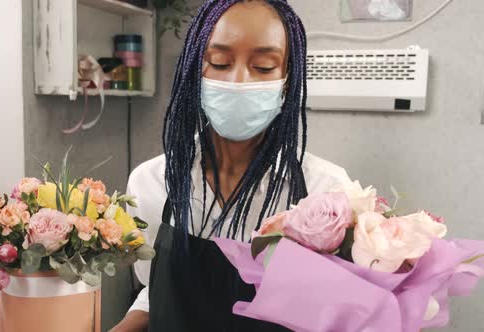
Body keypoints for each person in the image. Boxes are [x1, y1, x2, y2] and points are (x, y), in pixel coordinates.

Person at [111, 0, 351, 331]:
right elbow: (154, 293)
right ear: (195, 70)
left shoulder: (326, 193)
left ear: (287, 79)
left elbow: (332, 310)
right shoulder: (150, 183)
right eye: (220, 62)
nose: (239, 81)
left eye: (264, 67)